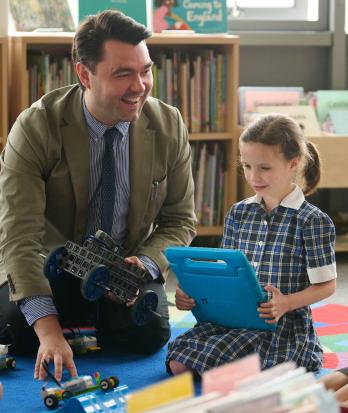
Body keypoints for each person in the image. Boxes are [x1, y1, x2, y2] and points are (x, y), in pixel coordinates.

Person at [0, 10, 196, 382]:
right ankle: (75, 322)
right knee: (16, 331)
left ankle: (83, 321)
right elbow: (19, 238)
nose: (140, 85)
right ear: (85, 75)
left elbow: (180, 220)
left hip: (125, 266)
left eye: (146, 70)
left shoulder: (168, 125)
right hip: (50, 263)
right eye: (123, 74)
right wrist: (49, 332)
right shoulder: (35, 126)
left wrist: (148, 263)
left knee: (149, 336)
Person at [166, 113, 336, 376]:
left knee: (214, 365)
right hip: (234, 318)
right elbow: (225, 273)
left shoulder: (312, 221)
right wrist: (193, 295)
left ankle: (258, 373)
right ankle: (245, 371)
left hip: (281, 324)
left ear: (294, 163)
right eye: (246, 166)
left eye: (264, 167)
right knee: (178, 359)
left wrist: (287, 303)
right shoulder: (238, 213)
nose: (253, 176)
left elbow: (327, 285)